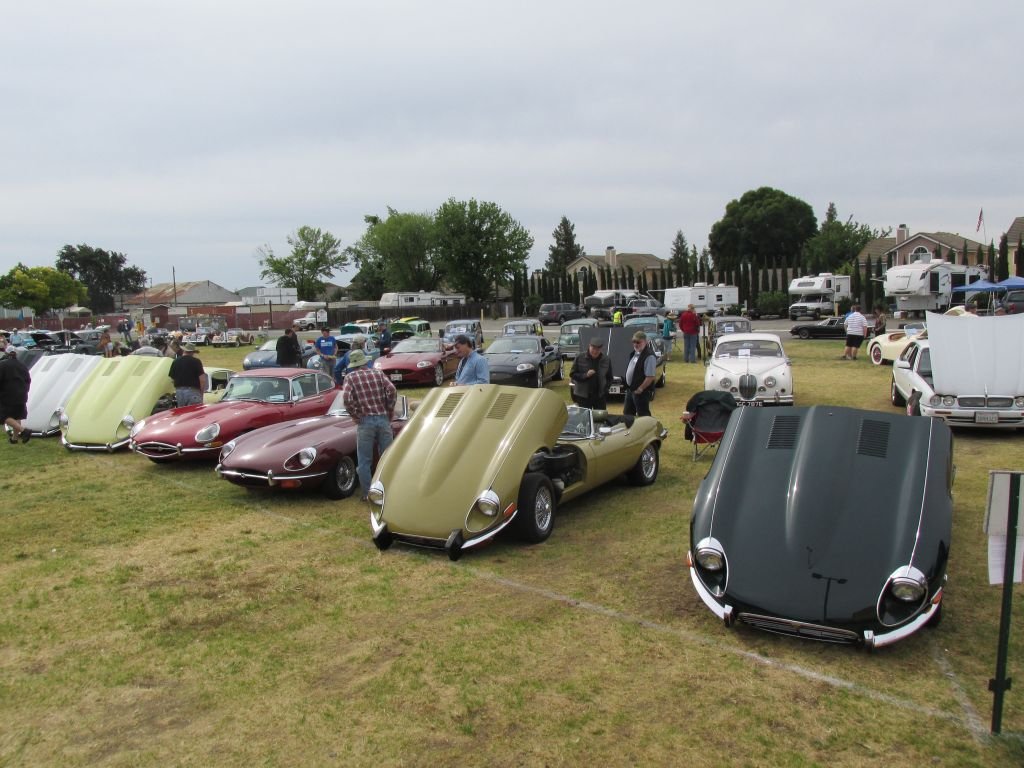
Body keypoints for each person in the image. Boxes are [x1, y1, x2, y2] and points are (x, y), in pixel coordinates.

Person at [341, 349, 398, 500]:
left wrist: (355, 415)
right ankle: (388, 490)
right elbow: (392, 390)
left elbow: (346, 399)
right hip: (383, 418)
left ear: (353, 365)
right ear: (365, 362)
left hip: (365, 421)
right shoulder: (378, 373)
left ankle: (368, 494)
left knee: (364, 460)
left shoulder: (350, 377)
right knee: (387, 457)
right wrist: (389, 409)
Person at [0, 344, 32, 443]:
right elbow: (28, 380)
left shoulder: (2, 365)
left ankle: (24, 431)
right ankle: (14, 439)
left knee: (3, 416)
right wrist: (25, 390)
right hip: (22, 394)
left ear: (6, 353)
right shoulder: (22, 365)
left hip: (8, 395)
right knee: (17, 416)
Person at [569, 338, 611, 409]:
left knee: (600, 415)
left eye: (598, 349)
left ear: (601, 349)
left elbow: (609, 377)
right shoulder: (580, 357)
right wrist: (585, 375)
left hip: (599, 397)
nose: (595, 351)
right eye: (593, 348)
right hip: (583, 397)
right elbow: (572, 374)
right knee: (585, 416)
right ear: (589, 346)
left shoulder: (606, 360)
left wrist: (605, 389)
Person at [623, 331, 657, 417]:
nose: (635, 344)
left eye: (638, 342)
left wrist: (640, 389)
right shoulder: (635, 353)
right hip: (631, 390)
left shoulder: (649, 356)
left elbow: (650, 377)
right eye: (633, 341)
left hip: (641, 392)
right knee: (627, 414)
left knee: (643, 415)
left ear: (645, 342)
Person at [169, 342, 208, 407]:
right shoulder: (196, 361)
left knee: (182, 411)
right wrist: (201, 393)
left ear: (184, 350)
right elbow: (202, 380)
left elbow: (172, 379)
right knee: (194, 411)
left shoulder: (176, 361)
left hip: (179, 392)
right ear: (192, 352)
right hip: (193, 391)